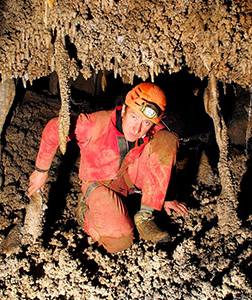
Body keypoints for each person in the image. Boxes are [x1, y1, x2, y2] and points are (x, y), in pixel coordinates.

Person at [27, 82, 188, 253]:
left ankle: (145, 217)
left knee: (167, 139)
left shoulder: (152, 130)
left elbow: (164, 159)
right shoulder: (94, 124)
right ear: (124, 110)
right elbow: (54, 127)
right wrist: (41, 171)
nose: (137, 128)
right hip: (100, 185)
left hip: (129, 181)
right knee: (121, 242)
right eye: (134, 117)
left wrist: (166, 195)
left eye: (146, 123)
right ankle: (86, 213)